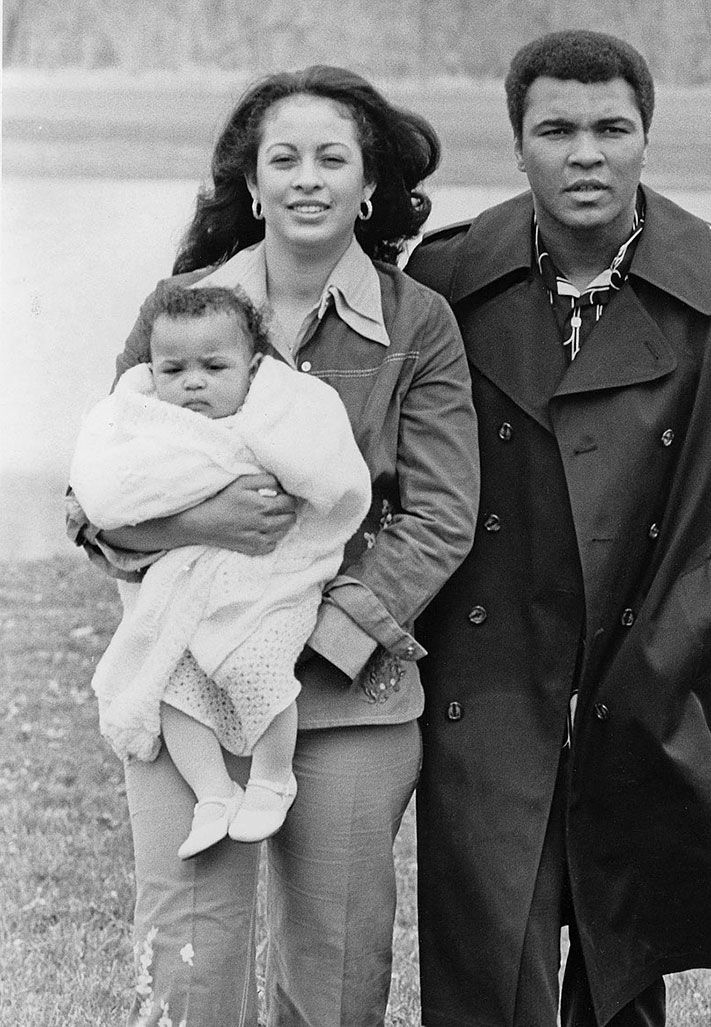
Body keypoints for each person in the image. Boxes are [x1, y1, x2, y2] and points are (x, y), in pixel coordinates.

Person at [406, 29, 711, 1027]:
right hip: (487, 676)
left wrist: (696, 629)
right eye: (555, 129)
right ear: (517, 144)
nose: (586, 153)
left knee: (620, 964)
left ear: (646, 137)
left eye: (612, 127)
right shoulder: (441, 280)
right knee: (486, 962)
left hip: (649, 668)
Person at [67, 66, 479, 1027]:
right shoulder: (181, 306)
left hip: (346, 690)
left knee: (334, 973)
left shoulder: (419, 322)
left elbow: (441, 515)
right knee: (191, 956)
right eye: (281, 159)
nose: (307, 178)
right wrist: (198, 527)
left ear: (368, 184)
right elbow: (99, 492)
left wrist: (306, 636)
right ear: (249, 185)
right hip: (185, 676)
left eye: (332, 158)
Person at [70, 284, 372, 860]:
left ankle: (272, 776)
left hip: (265, 578)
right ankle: (213, 793)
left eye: (214, 367)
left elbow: (326, 476)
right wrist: (198, 515)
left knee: (255, 661)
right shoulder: (144, 423)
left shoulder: (275, 412)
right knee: (168, 681)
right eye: (173, 369)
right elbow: (108, 491)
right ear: (150, 372)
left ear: (253, 370)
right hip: (179, 579)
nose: (193, 383)